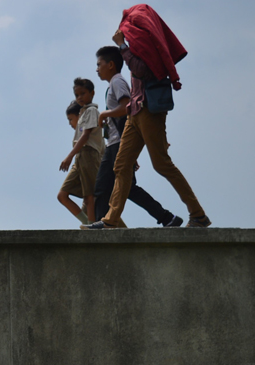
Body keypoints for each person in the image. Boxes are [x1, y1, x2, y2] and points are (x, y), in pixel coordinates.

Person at [81, 4, 211, 229]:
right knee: (121, 166)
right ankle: (111, 220)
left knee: (162, 164)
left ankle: (198, 214)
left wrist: (122, 46)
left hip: (150, 111)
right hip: (136, 111)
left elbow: (142, 70)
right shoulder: (140, 42)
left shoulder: (144, 45)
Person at [92, 45, 181, 228]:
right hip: (116, 144)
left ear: (110, 65)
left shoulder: (117, 82)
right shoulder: (113, 84)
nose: (97, 69)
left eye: (99, 64)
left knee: (103, 188)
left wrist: (104, 114)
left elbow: (126, 109)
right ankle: (166, 217)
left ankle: (101, 229)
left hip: (118, 143)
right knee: (127, 188)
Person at [57, 78, 105, 226]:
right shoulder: (84, 112)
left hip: (88, 153)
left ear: (92, 93)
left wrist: (69, 156)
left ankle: (92, 226)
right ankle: (88, 224)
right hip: (80, 156)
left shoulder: (92, 111)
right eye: (77, 95)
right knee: (62, 195)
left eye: (83, 93)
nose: (79, 97)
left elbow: (86, 135)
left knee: (89, 196)